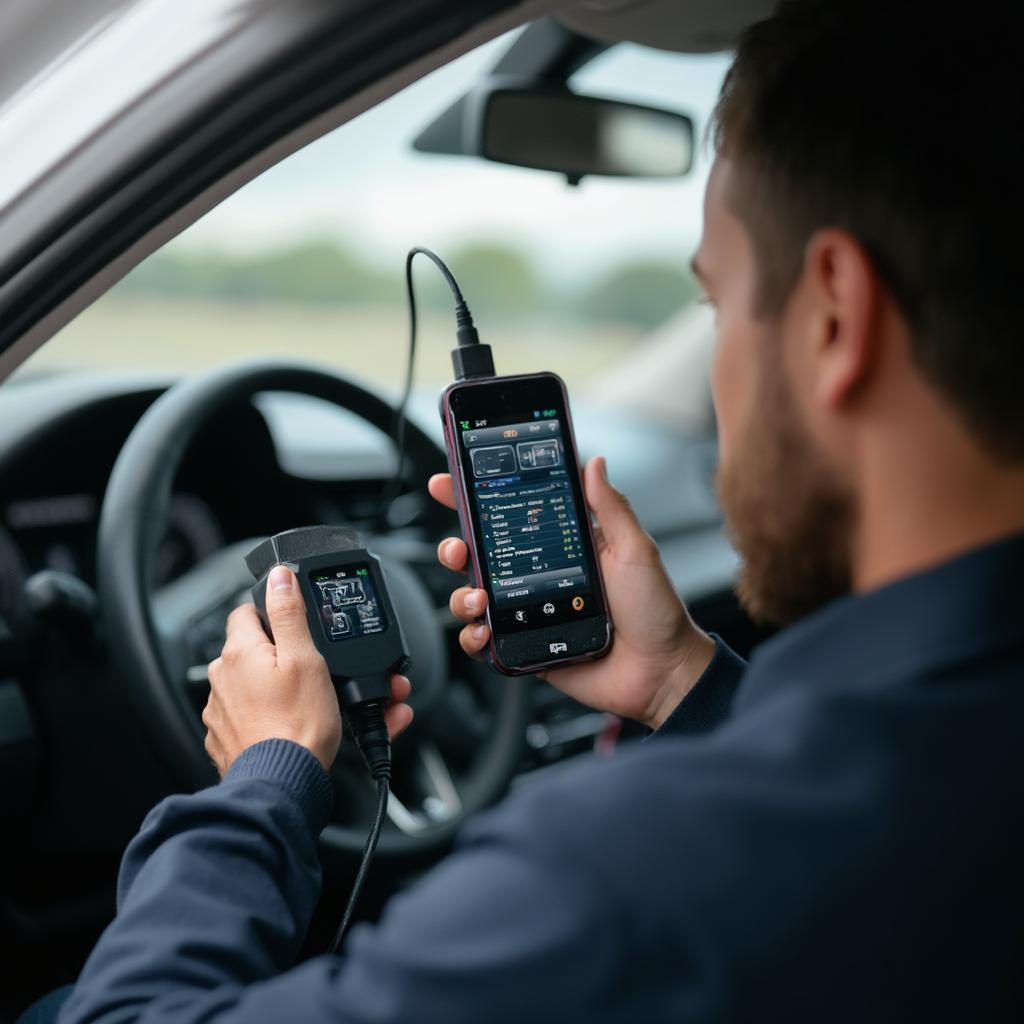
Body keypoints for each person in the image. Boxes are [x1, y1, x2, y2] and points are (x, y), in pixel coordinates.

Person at [29, 0, 1024, 1020]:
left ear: (832, 317)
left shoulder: (622, 883)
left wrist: (265, 778)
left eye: (717, 302)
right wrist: (679, 679)